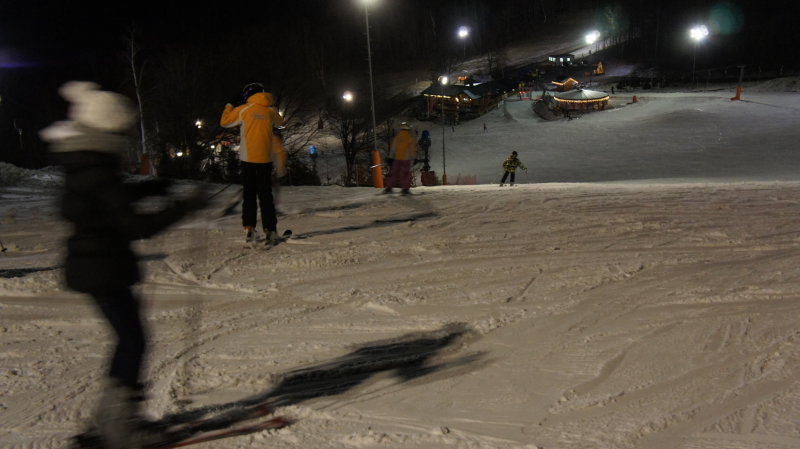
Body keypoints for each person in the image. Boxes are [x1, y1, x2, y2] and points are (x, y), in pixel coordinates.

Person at [41, 81, 208, 449]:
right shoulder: (98, 169)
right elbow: (134, 225)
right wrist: (185, 207)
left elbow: (108, 200)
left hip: (96, 265)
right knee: (133, 340)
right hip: (103, 267)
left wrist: (150, 189)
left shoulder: (85, 162)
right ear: (109, 130)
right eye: (122, 132)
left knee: (128, 339)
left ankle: (109, 421)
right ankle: (121, 427)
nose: (125, 139)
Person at [220, 82, 286, 246]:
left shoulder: (244, 110)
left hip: (248, 159)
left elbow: (224, 122)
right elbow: (281, 122)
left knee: (249, 195)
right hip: (265, 160)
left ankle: (249, 229)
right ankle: (270, 230)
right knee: (266, 196)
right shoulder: (270, 111)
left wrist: (230, 105)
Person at [383, 122, 418, 195]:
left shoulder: (397, 138)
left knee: (394, 173)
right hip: (406, 159)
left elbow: (393, 148)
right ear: (408, 130)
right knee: (405, 174)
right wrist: (414, 158)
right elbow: (412, 149)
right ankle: (405, 189)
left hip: (397, 159)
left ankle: (389, 188)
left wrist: (390, 157)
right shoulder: (409, 138)